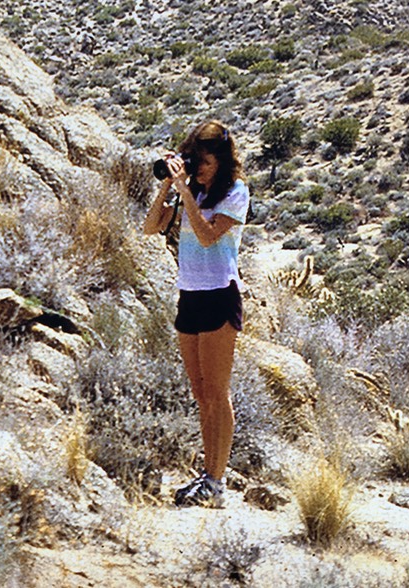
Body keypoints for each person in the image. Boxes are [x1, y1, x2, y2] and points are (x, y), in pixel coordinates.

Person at [142, 120, 249, 508]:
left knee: (218, 393)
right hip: (189, 295)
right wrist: (168, 186)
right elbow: (150, 227)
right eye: (194, 161)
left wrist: (186, 190)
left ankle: (216, 483)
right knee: (201, 393)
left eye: (204, 162)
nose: (199, 168)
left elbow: (207, 235)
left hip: (220, 295)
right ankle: (207, 476)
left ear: (221, 161)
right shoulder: (192, 192)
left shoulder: (235, 193)